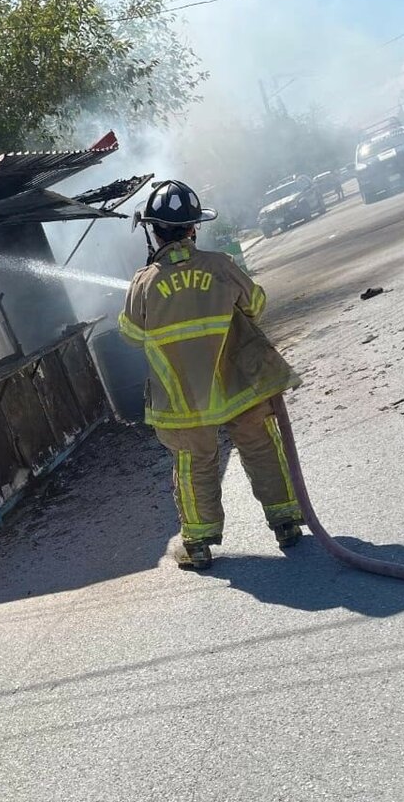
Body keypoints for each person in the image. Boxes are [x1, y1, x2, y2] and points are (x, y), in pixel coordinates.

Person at [119, 180, 304, 571]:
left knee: (195, 462)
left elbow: (132, 335)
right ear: (193, 228)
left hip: (181, 397)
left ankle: (199, 545)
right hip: (239, 385)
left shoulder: (143, 283)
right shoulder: (220, 266)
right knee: (260, 447)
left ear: (154, 230)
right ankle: (286, 523)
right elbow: (255, 304)